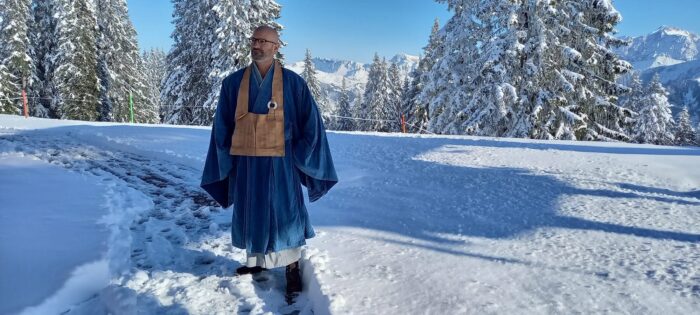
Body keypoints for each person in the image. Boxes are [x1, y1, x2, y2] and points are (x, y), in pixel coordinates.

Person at [200, 25, 338, 303]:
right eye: (254, 40)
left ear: (277, 47)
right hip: (247, 165)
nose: (257, 45)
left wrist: (297, 152)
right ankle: (256, 262)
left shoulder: (293, 83)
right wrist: (226, 155)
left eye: (264, 41)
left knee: (284, 215)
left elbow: (311, 125)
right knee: (252, 213)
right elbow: (222, 127)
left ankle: (292, 269)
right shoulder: (233, 83)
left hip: (280, 164)